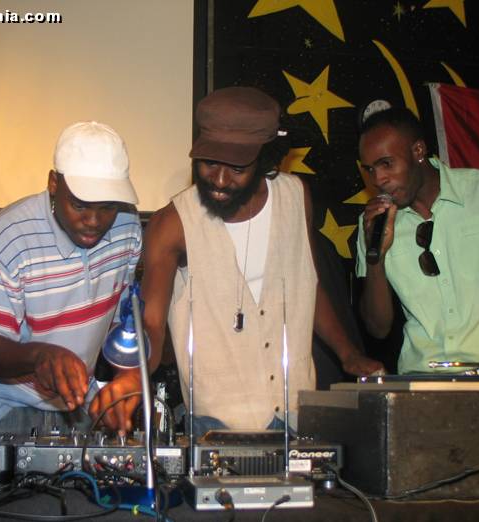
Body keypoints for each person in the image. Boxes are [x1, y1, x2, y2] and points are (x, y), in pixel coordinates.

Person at [132, 86, 383, 435]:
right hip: (214, 424)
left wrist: (347, 353)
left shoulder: (296, 197)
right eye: (208, 162)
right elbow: (152, 322)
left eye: (237, 167)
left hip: (295, 411)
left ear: (265, 159)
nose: (219, 179)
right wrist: (132, 377)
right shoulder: (171, 223)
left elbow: (306, 286)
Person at [0, 121, 143, 437]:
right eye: (80, 205)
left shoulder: (126, 226)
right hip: (2, 408)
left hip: (78, 402)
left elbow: (123, 320)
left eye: (107, 207)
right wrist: (39, 356)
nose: (94, 221)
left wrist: (129, 376)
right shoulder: (9, 239)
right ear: (53, 183)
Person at [355, 106, 479, 381]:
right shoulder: (372, 223)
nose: (378, 179)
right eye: (370, 169)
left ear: (418, 151)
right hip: (424, 377)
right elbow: (378, 327)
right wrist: (375, 256)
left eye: (387, 164)